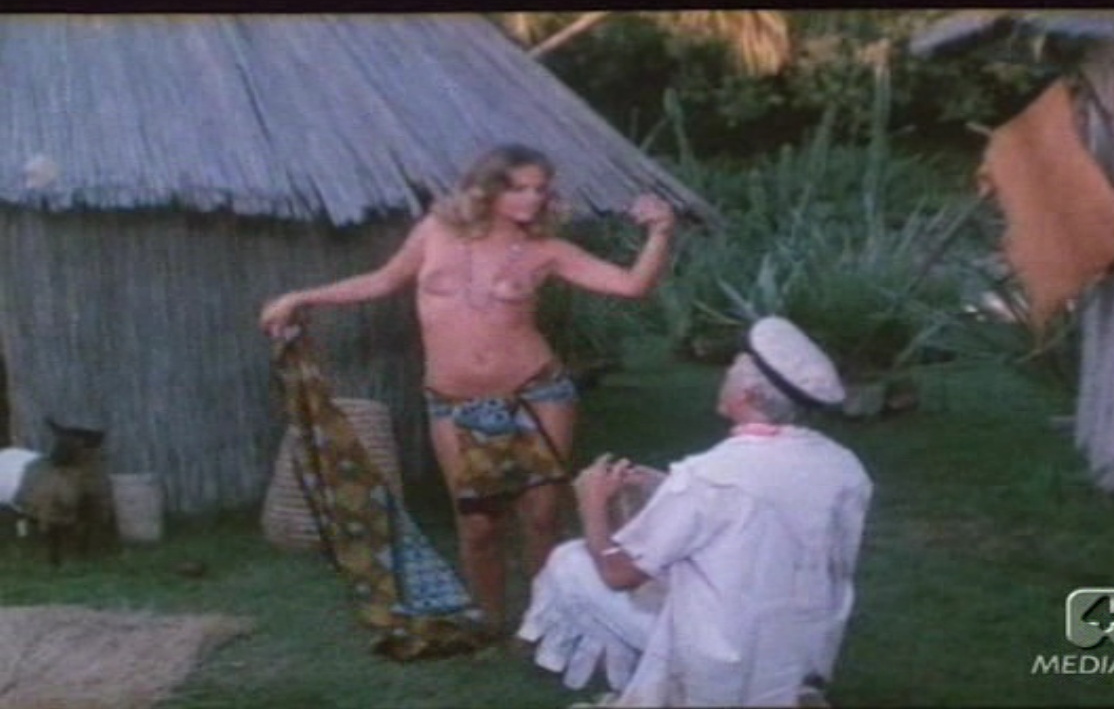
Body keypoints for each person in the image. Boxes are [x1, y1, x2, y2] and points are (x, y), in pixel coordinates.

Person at [259, 143, 677, 636]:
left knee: (541, 517)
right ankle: (490, 621)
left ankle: (547, 621)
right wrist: (303, 297)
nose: (532, 199)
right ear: (488, 187)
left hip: (536, 394)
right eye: (518, 188)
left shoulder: (548, 251)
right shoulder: (435, 232)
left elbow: (631, 286)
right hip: (454, 403)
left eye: (540, 189)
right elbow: (382, 281)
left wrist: (660, 232)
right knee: (478, 525)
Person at [518, 316, 874, 707]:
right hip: (800, 650)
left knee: (569, 562)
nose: (724, 376)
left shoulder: (709, 476)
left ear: (749, 395)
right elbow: (763, 519)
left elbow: (618, 575)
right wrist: (664, 487)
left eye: (731, 369)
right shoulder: (844, 467)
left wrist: (591, 503)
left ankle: (660, 689)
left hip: (719, 658)